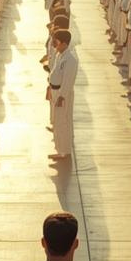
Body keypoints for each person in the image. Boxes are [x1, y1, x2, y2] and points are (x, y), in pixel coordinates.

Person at [47, 29, 77, 162]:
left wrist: (62, 96)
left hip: (62, 94)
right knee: (57, 121)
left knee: (62, 122)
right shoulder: (60, 55)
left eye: (57, 42)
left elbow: (68, 80)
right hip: (55, 91)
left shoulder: (70, 59)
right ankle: (60, 149)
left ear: (64, 43)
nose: (55, 45)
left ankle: (64, 151)